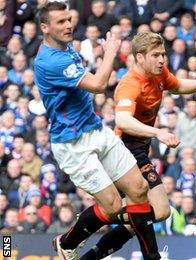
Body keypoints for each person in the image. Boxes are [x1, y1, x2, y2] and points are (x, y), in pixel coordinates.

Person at [34, 2, 158, 259]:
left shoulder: (66, 47)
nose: (68, 25)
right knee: (112, 206)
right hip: (72, 143)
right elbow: (99, 84)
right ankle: (66, 243)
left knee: (139, 188)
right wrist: (111, 51)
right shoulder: (49, 61)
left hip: (95, 129)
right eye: (60, 22)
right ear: (45, 27)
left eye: (69, 19)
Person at [82, 31, 196, 259]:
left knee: (160, 212)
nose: (161, 60)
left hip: (140, 150)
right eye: (156, 55)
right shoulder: (129, 84)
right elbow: (123, 121)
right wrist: (159, 133)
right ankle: (92, 222)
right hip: (123, 151)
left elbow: (178, 86)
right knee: (137, 213)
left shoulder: (158, 74)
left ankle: (93, 250)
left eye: (163, 55)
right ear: (139, 57)